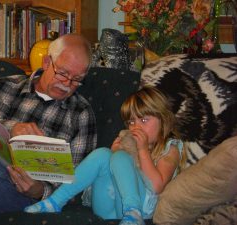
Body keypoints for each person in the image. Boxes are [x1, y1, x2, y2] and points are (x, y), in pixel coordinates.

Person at [0, 34, 97, 225]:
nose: (67, 84)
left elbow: (79, 183)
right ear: (47, 62)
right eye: (62, 73)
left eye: (77, 79)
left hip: (23, 195)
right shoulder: (4, 87)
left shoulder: (81, 113)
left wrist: (40, 191)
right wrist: (10, 128)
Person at [24, 86, 186, 225]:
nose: (136, 126)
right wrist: (116, 154)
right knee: (103, 154)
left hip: (142, 209)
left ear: (163, 120)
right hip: (107, 208)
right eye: (131, 122)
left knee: (120, 157)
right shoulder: (128, 145)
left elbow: (157, 186)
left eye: (144, 120)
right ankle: (55, 201)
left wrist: (142, 150)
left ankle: (133, 212)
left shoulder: (170, 148)